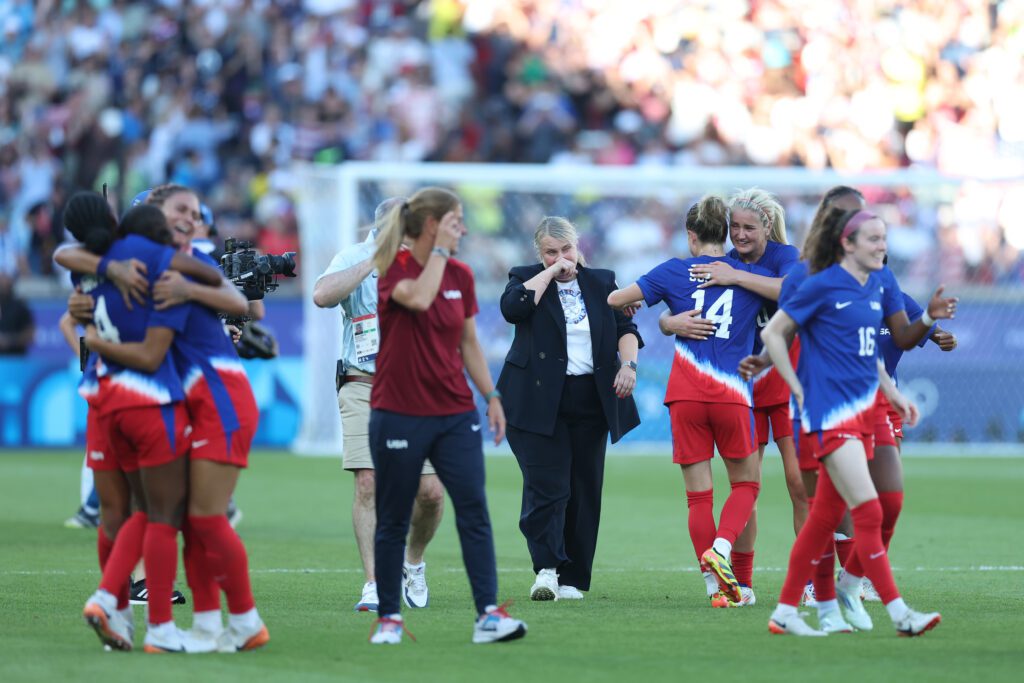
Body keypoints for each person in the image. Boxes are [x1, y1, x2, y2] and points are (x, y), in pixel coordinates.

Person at [761, 206, 954, 637]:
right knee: (868, 510)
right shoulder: (823, 284)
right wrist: (794, 385)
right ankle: (899, 613)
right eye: (872, 239)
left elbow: (870, 356)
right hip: (831, 415)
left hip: (866, 412)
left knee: (823, 519)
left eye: (884, 238)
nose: (882, 246)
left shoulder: (878, 285)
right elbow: (774, 333)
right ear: (847, 244)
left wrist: (893, 393)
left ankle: (786, 610)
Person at [366, 186, 526, 645]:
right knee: (394, 516)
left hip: (455, 412)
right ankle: (390, 619)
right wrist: (436, 250)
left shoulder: (462, 274)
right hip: (397, 412)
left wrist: (491, 394)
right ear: (434, 225)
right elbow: (416, 298)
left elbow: (469, 342)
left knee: (474, 510)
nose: (466, 229)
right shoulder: (391, 268)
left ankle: (488, 616)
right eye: (457, 221)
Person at [69, 202, 225, 652]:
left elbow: (66, 261)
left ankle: (117, 612)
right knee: (161, 516)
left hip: (101, 400)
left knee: (116, 514)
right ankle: (154, 621)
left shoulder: (91, 268)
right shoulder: (153, 260)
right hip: (150, 402)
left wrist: (92, 337)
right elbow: (211, 280)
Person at [608, 195, 768, 606]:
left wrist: (662, 317)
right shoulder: (749, 273)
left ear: (691, 236)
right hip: (732, 394)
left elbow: (615, 300)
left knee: (699, 497)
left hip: (685, 395)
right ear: (728, 232)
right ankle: (722, 548)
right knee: (746, 485)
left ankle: (715, 590)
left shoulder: (672, 271)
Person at [666, 187, 805, 607]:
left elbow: (795, 293)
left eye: (748, 227)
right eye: (735, 228)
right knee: (747, 489)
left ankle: (816, 579)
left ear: (766, 226)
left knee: (800, 484)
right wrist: (668, 322)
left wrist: (737, 277)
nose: (740, 235)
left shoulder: (784, 257)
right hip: (740, 388)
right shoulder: (718, 263)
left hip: (782, 383)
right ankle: (740, 582)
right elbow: (674, 301)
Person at [497, 216, 641, 601]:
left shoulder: (602, 283)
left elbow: (627, 330)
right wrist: (548, 274)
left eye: (567, 250)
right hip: (535, 400)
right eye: (551, 252)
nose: (561, 258)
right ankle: (546, 569)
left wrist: (628, 366)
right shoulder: (525, 278)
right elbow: (513, 308)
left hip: (590, 399)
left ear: (580, 248)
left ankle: (573, 577)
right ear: (538, 253)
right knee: (548, 486)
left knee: (584, 488)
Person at [313, 197, 445, 612]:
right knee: (368, 482)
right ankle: (374, 583)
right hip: (362, 382)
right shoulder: (352, 257)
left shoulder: (428, 261)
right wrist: (373, 262)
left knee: (430, 494)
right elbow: (322, 296)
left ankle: (413, 562)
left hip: (416, 388)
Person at [0, 271, 35, 354]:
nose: (3, 283)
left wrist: (9, 341)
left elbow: (30, 335)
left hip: (16, 359)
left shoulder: (20, 306)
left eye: (6, 279)